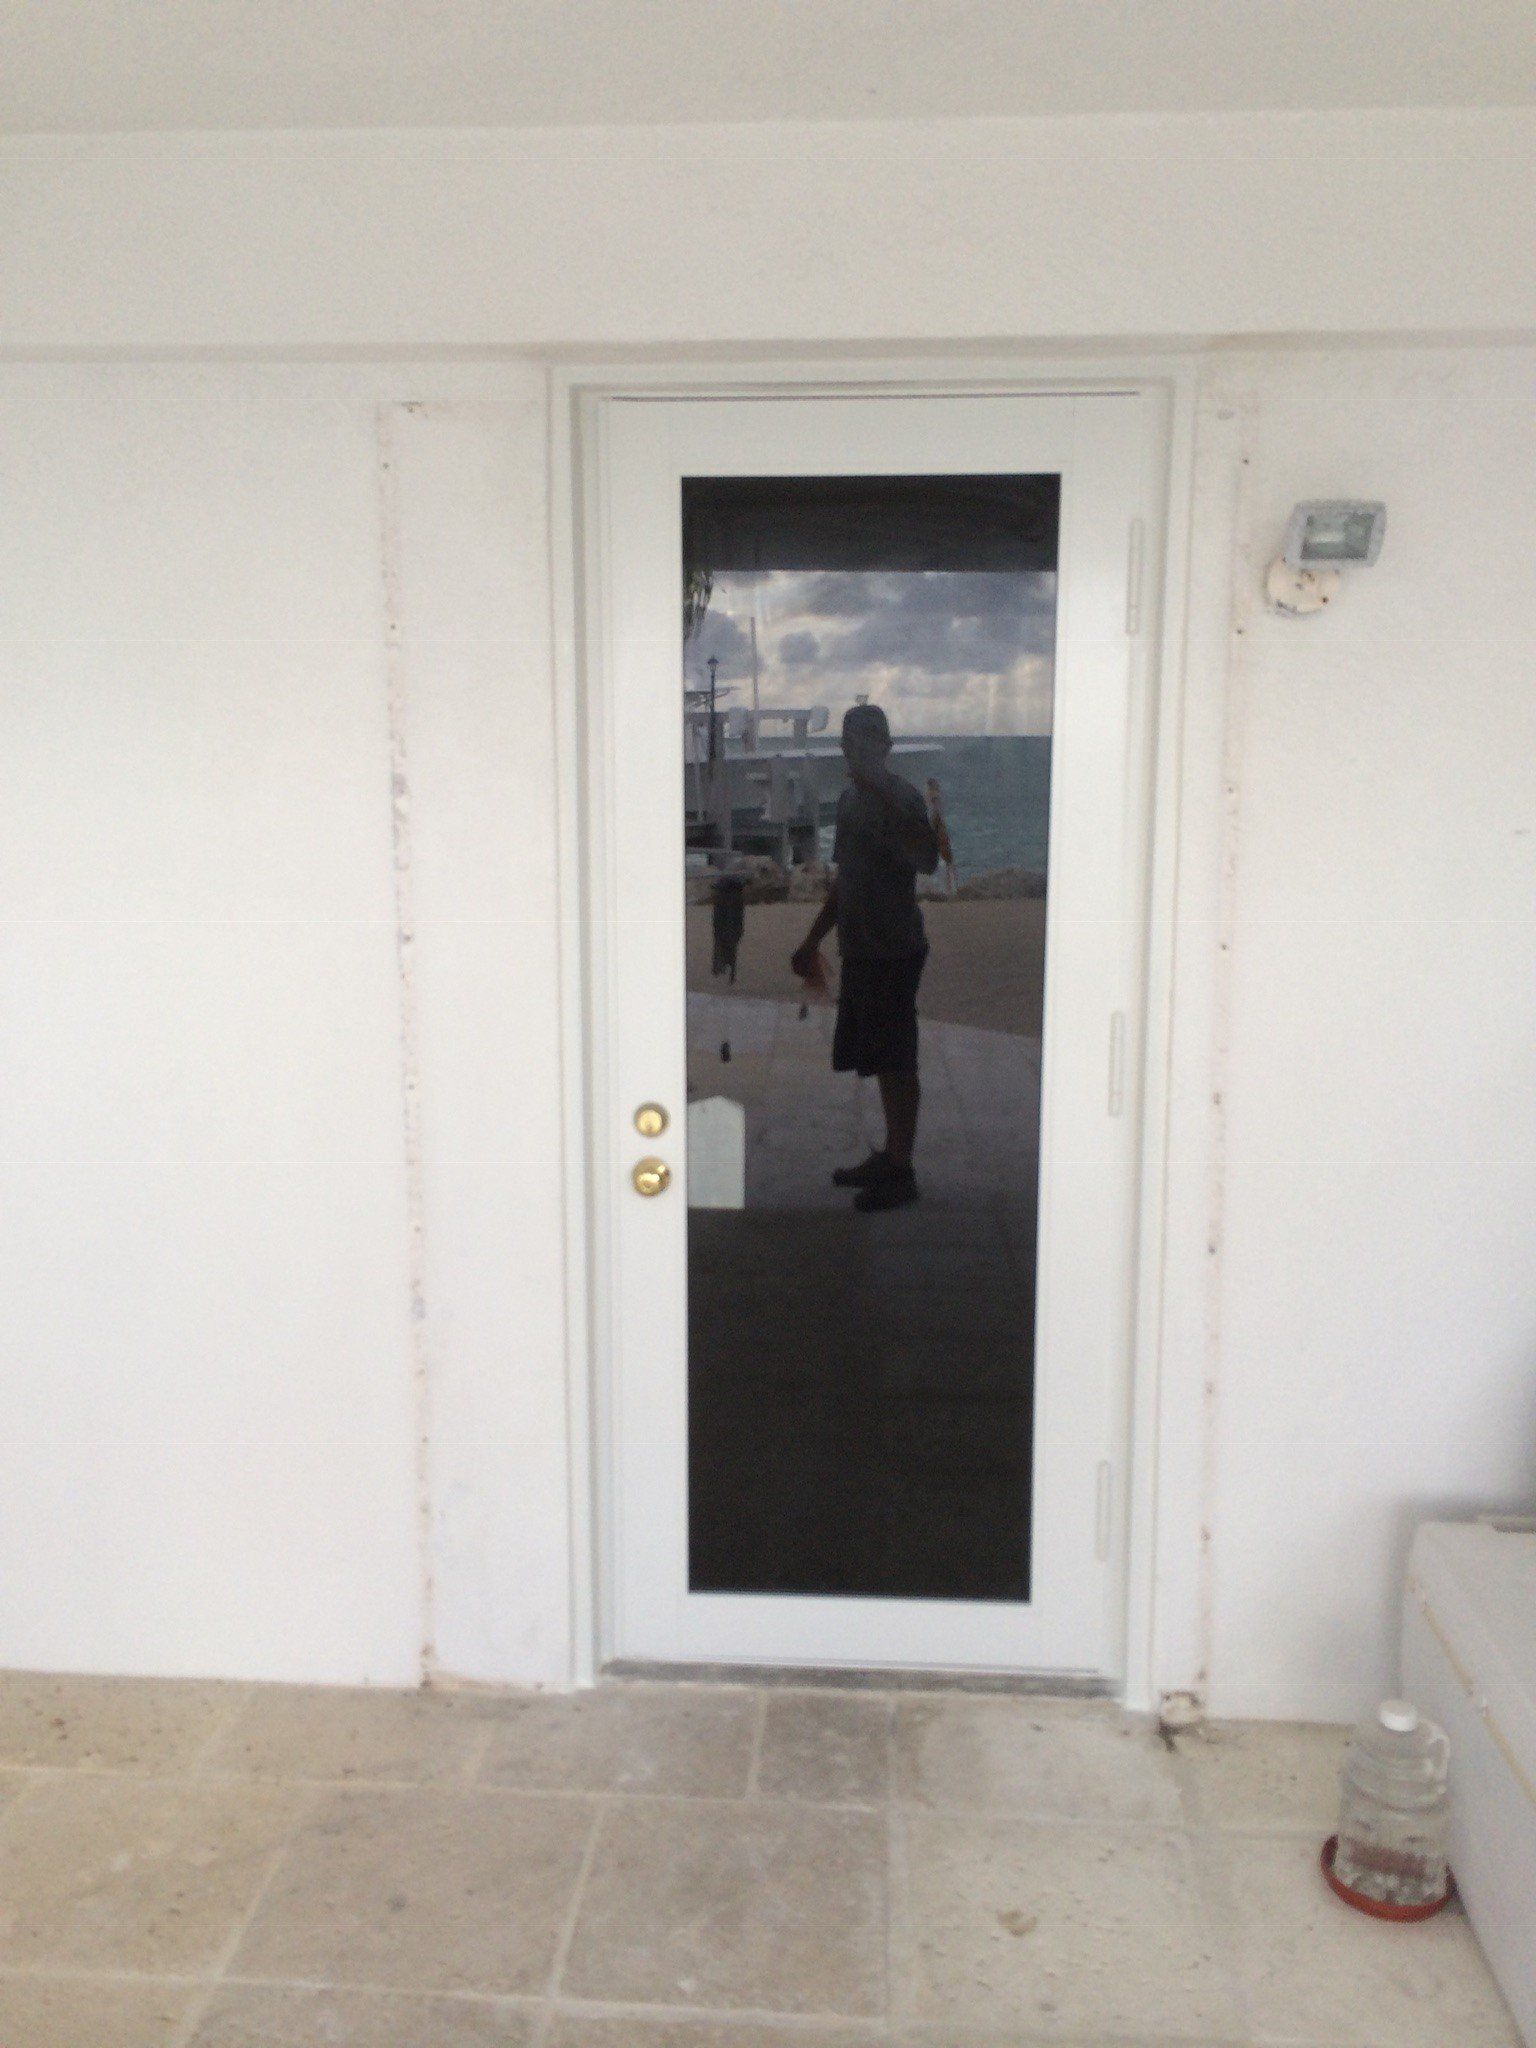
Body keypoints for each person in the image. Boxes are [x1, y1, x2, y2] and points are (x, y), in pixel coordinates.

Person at [791, 703, 939, 1211]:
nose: (851, 751)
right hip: (859, 948)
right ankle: (892, 1156)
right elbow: (845, 881)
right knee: (879, 1057)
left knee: (897, 1059)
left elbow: (927, 860)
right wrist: (813, 939)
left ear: (884, 747)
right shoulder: (848, 800)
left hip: (894, 949)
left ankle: (902, 1170)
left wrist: (886, 796)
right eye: (847, 741)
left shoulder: (902, 797)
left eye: (862, 742)